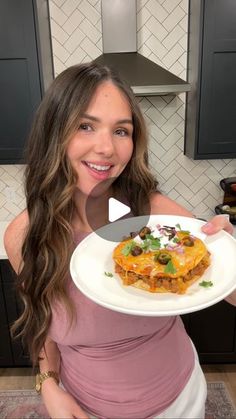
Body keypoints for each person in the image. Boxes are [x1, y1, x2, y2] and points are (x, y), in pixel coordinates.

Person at [4, 62, 235, 419]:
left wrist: (229, 251)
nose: (106, 148)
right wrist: (48, 384)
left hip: (179, 402)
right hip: (82, 407)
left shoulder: (155, 215)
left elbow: (229, 289)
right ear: (54, 133)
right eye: (85, 126)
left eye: (121, 131)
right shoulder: (24, 236)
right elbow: (41, 322)